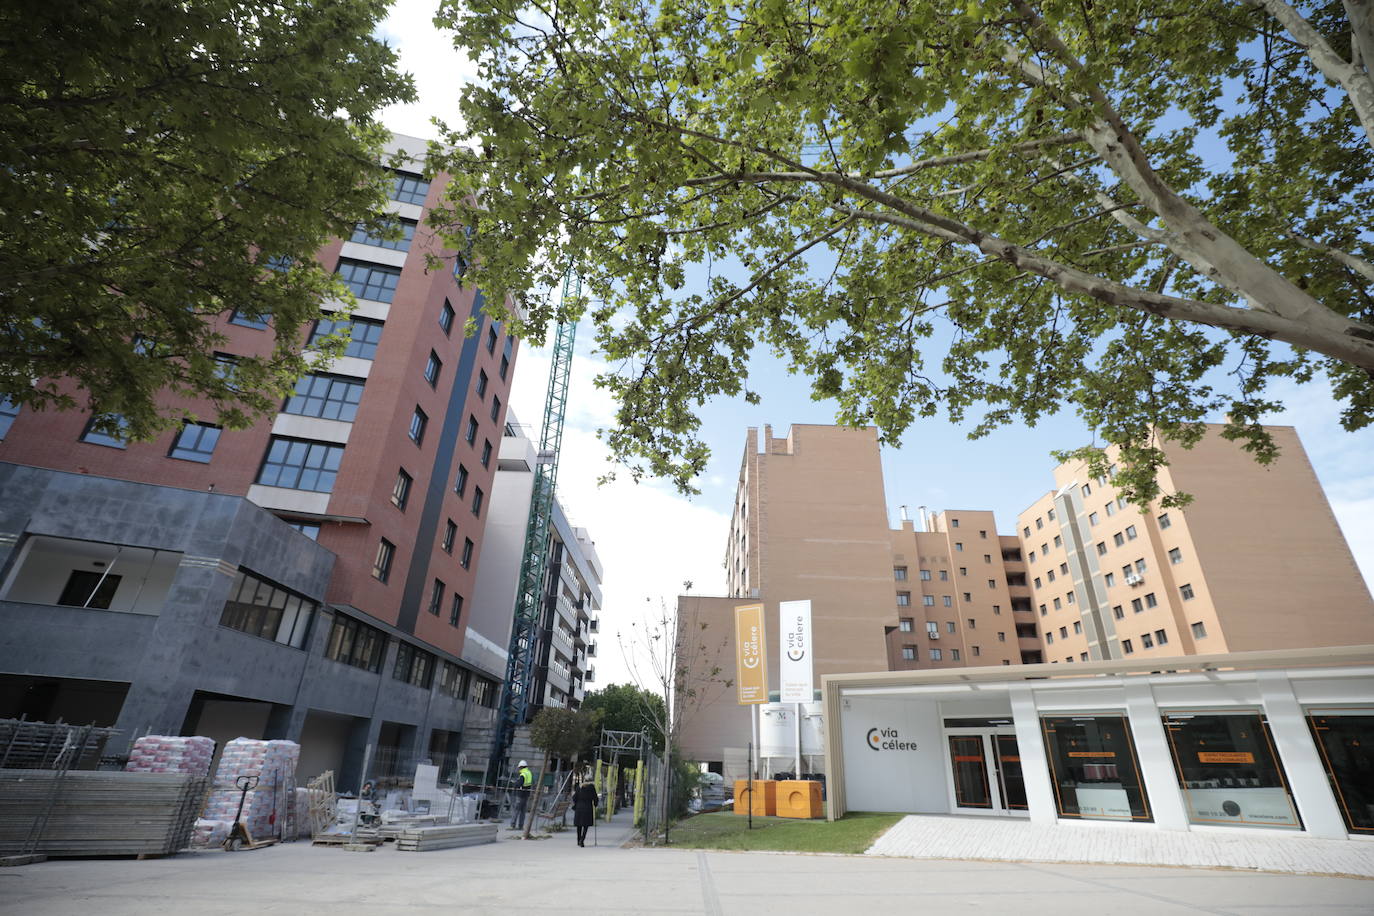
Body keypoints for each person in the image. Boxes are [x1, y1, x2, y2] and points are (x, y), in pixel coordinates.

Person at [572, 776, 599, 847]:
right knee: (585, 825)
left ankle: (578, 840)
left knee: (579, 825)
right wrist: (595, 804)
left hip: (579, 808)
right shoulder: (591, 787)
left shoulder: (579, 787)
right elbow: (595, 797)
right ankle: (582, 839)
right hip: (588, 808)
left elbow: (574, 798)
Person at [509, 760, 534, 830]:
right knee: (523, 811)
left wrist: (515, 784)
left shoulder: (523, 774)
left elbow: (519, 784)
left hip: (520, 794)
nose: (519, 769)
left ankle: (513, 824)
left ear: (521, 767)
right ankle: (521, 825)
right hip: (526, 794)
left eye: (519, 768)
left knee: (516, 810)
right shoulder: (529, 773)